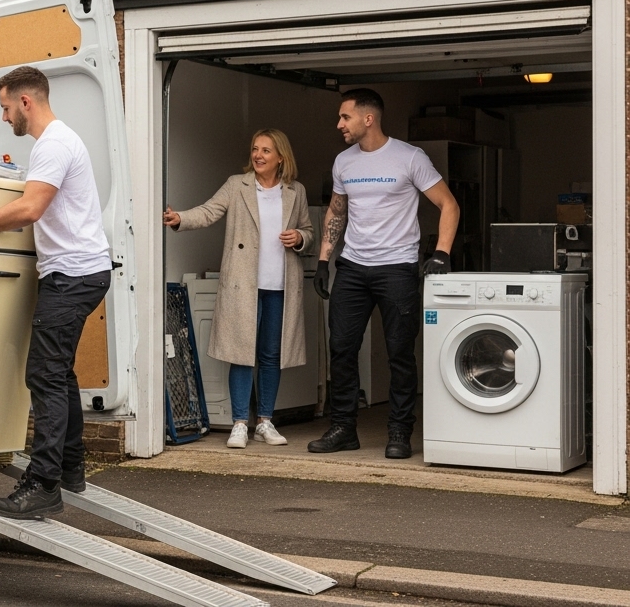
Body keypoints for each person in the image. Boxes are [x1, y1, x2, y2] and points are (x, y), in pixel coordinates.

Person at [0, 65, 113, 520]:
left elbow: (32, 208)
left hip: (72, 277)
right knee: (58, 373)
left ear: (25, 102)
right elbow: (38, 197)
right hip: (84, 272)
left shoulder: (53, 144)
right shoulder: (55, 143)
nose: (3, 118)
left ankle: (42, 484)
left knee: (44, 375)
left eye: (4, 107)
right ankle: (70, 468)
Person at [310, 88, 460, 459]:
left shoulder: (409, 157)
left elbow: (448, 204)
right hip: (353, 267)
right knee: (342, 349)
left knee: (399, 354)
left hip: (397, 268)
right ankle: (344, 428)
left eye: (345, 117)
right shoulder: (344, 161)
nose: (339, 124)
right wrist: (324, 260)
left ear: (368, 118)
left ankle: (399, 431)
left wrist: (441, 253)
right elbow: (336, 211)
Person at [162, 130, 314, 449]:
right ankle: (240, 423)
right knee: (241, 353)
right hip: (243, 283)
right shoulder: (237, 184)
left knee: (271, 355)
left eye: (266, 151)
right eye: (255, 149)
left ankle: (266, 422)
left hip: (280, 285)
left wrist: (300, 238)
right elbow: (209, 211)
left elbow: (308, 229)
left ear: (280, 158)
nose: (258, 155)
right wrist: (179, 219)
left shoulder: (295, 191)